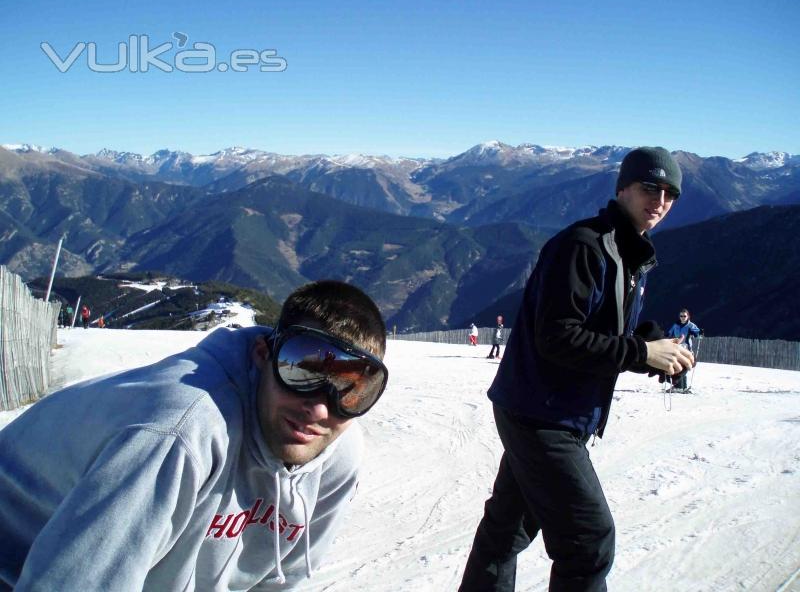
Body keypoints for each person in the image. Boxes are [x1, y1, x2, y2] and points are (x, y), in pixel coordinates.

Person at [0, 280, 389, 591]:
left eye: (351, 390)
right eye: (300, 373)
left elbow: (279, 583)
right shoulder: (177, 434)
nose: (320, 409)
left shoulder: (338, 455)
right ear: (261, 354)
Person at [459, 147, 695, 591]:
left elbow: (608, 324)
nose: (660, 200)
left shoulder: (627, 252)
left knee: (505, 532)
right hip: (543, 416)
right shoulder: (585, 247)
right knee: (588, 541)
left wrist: (655, 343)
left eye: (670, 194)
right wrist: (643, 354)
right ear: (622, 188)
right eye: (650, 188)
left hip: (540, 408)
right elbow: (559, 337)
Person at [666, 308, 702, 390]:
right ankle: (680, 386)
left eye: (684, 316)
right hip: (676, 349)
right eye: (681, 316)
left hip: (686, 350)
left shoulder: (691, 325)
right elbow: (669, 333)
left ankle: (680, 386)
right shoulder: (675, 325)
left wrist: (699, 333)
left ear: (688, 316)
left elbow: (697, 334)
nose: (682, 317)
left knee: (684, 367)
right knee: (677, 366)